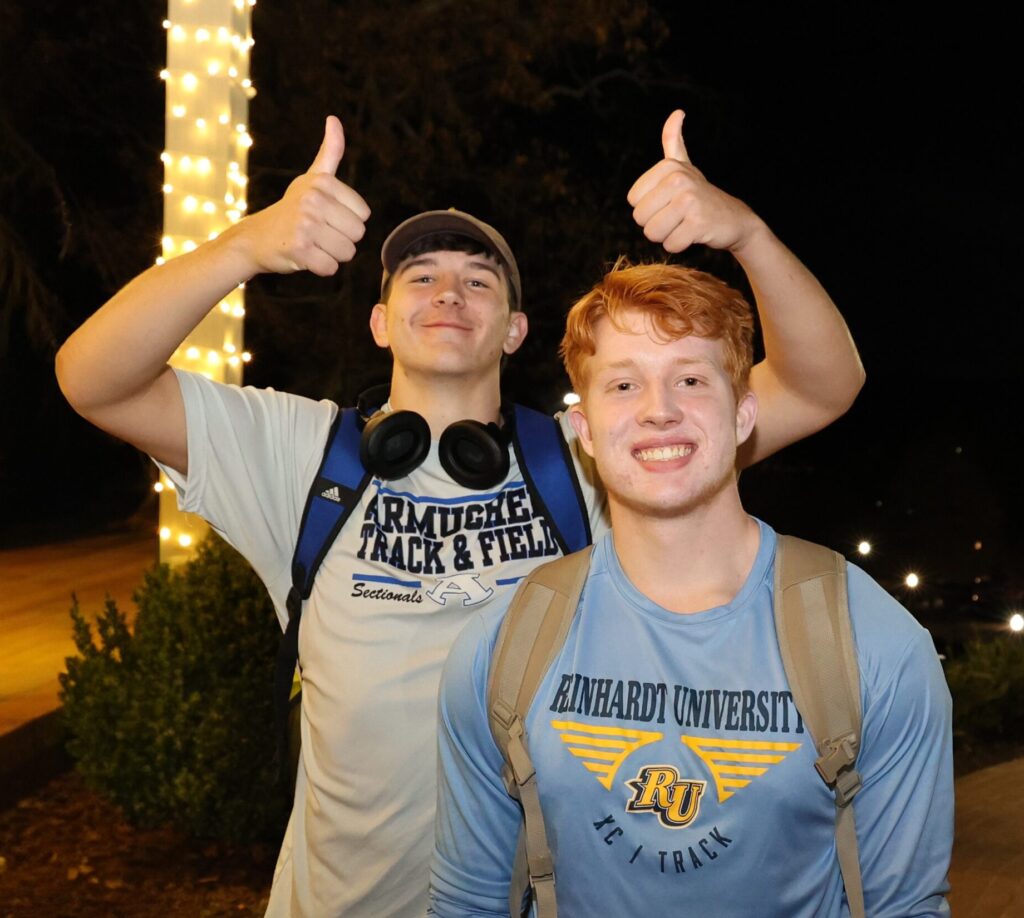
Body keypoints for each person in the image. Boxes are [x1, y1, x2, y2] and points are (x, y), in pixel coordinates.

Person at [55, 110, 865, 917]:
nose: (449, 291)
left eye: (479, 281)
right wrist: (242, 248)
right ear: (380, 323)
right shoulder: (300, 455)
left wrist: (747, 234)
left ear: (514, 331)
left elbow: (822, 387)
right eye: (421, 277)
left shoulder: (591, 458)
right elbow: (94, 380)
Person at [429, 259, 953, 917]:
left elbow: (906, 907)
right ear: (585, 430)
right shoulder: (506, 644)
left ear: (743, 415)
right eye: (624, 384)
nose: (659, 410)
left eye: (691, 380)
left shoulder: (868, 641)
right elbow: (468, 902)